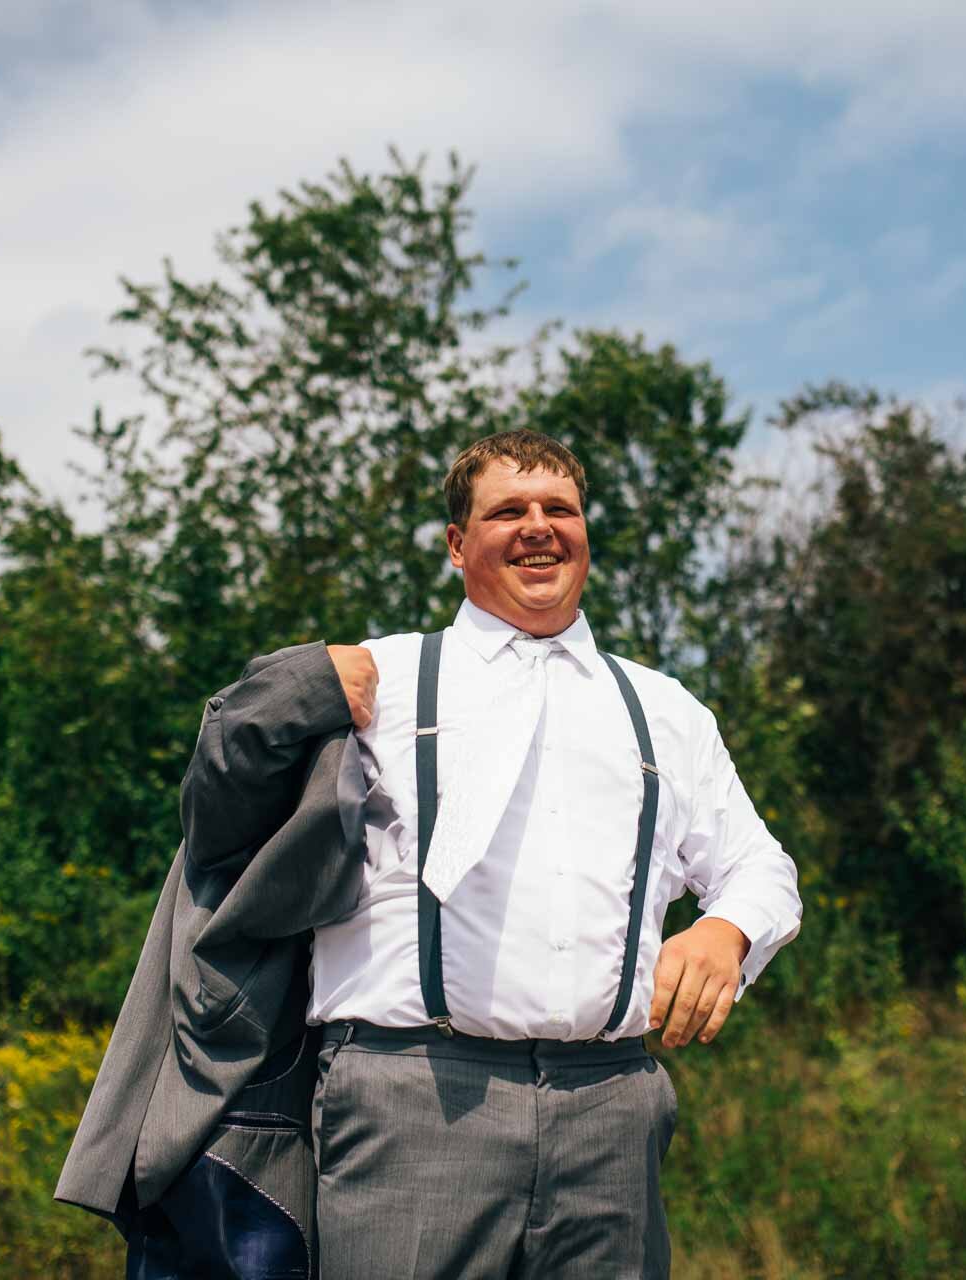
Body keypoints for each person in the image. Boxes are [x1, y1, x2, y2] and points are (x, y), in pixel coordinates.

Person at [303, 428, 802, 1278]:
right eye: (508, 511)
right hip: (413, 1097)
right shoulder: (378, 678)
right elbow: (224, 804)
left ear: (585, 535)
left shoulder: (664, 707)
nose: (539, 526)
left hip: (611, 1108)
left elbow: (763, 869)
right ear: (458, 545)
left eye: (559, 509)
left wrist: (727, 932)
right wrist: (288, 683)